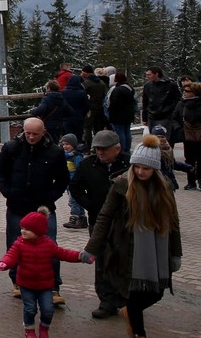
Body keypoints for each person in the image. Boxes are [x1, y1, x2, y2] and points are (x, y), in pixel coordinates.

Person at [84, 134, 183, 338]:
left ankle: (130, 314)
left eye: (145, 168)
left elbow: (173, 222)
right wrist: (91, 248)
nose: (140, 172)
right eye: (136, 167)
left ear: (154, 169)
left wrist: (176, 254)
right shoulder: (121, 185)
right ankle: (139, 333)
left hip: (157, 250)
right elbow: (104, 217)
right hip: (127, 249)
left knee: (156, 293)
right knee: (134, 296)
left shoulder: (164, 187)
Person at [0, 117, 70, 305]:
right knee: (15, 245)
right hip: (17, 206)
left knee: (50, 246)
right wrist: (8, 193)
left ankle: (53, 287)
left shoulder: (55, 152)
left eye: (35, 134)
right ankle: (17, 282)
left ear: (43, 132)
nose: (31, 137)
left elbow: (62, 179)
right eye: (28, 133)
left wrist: (50, 197)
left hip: (43, 209)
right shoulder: (11, 148)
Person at [0, 206, 93, 338]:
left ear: (38, 231)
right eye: (22, 228)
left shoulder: (49, 244)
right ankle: (29, 330)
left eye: (27, 229)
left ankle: (44, 328)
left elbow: (64, 254)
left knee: (48, 310)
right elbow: (11, 255)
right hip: (26, 284)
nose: (23, 231)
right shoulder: (19, 244)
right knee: (30, 309)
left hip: (45, 285)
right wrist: (4, 263)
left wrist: (80, 257)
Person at [67, 129, 130, 319]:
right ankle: (106, 301)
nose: (100, 152)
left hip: (126, 222)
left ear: (117, 149)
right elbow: (75, 187)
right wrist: (89, 205)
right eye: (97, 149)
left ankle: (127, 299)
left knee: (125, 260)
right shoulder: (88, 164)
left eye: (104, 149)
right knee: (101, 260)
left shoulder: (130, 164)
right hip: (98, 220)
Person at [174, 82, 201, 190]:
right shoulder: (181, 104)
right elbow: (175, 117)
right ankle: (191, 181)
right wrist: (179, 129)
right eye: (184, 91)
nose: (185, 93)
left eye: (188, 91)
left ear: (195, 92)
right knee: (189, 159)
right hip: (187, 135)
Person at [142, 66, 181, 143]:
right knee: (154, 139)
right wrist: (144, 117)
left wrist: (175, 114)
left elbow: (178, 99)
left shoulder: (170, 85)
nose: (147, 77)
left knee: (166, 139)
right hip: (152, 115)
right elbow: (145, 102)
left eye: (149, 75)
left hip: (167, 115)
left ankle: (167, 153)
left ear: (156, 74)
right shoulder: (147, 86)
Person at [59, 134, 86, 229]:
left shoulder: (76, 157)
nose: (65, 146)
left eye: (67, 144)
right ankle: (82, 219)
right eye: (63, 144)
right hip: (68, 182)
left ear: (73, 145)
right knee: (77, 201)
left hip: (75, 183)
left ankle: (74, 217)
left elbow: (80, 170)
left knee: (73, 201)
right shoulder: (65, 156)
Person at [106, 72, 137, 153]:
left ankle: (122, 149)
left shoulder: (118, 90)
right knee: (127, 132)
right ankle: (127, 148)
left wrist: (110, 112)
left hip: (118, 114)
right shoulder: (129, 88)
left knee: (120, 133)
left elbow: (114, 103)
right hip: (128, 113)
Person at [81, 66, 109, 145]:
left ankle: (87, 146)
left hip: (89, 109)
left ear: (86, 73)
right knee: (98, 128)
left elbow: (83, 96)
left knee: (87, 128)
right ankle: (98, 145)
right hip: (99, 107)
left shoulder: (85, 84)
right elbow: (104, 95)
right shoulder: (101, 82)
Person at [61, 76, 91, 143]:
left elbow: (61, 105)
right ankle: (78, 149)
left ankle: (69, 151)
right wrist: (82, 114)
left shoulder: (63, 92)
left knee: (68, 137)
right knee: (78, 137)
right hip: (79, 117)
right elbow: (86, 106)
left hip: (66, 118)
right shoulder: (82, 93)